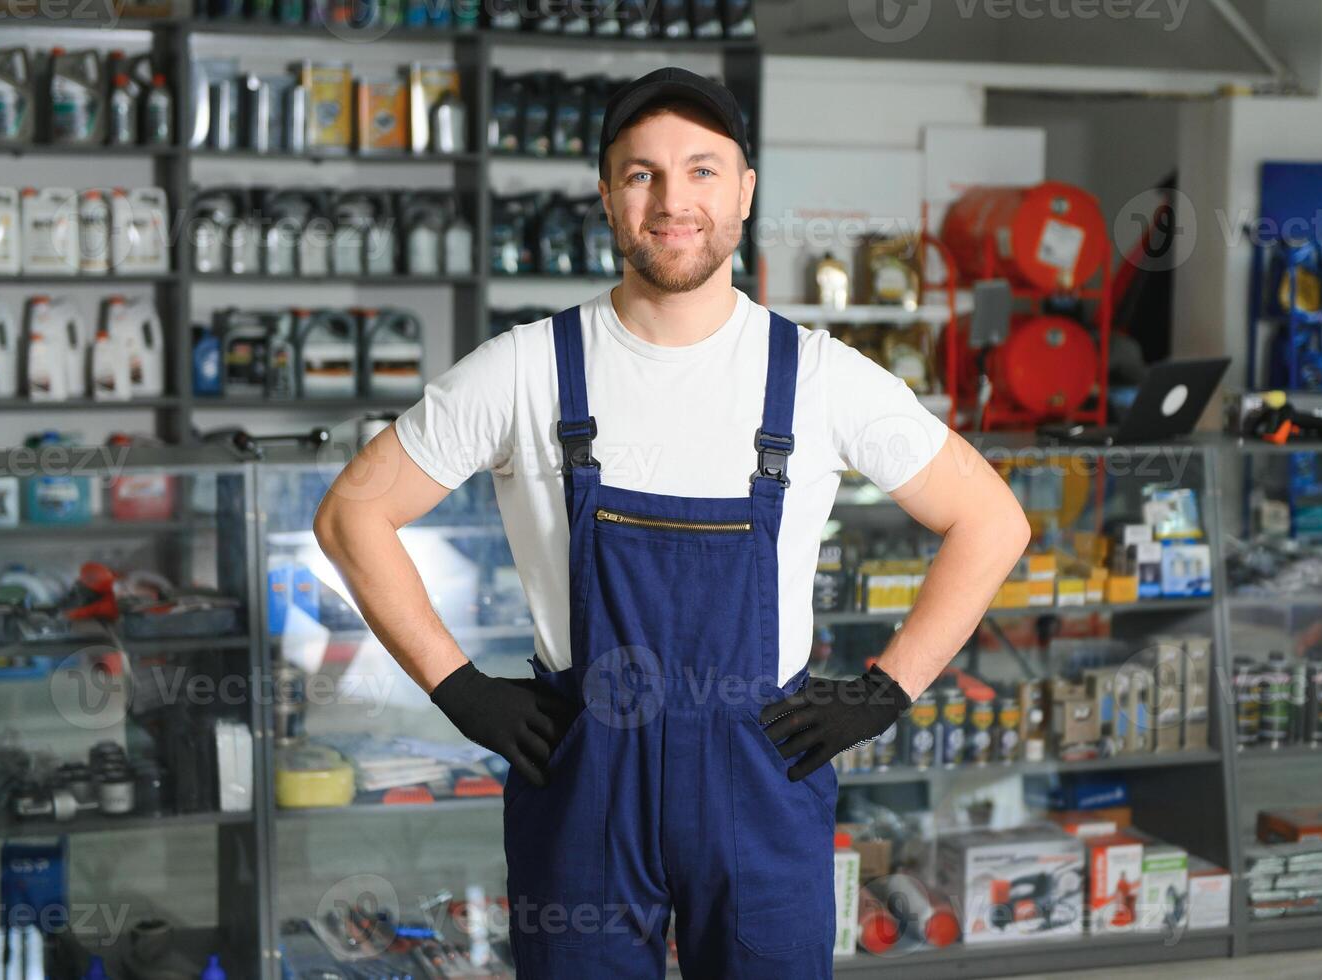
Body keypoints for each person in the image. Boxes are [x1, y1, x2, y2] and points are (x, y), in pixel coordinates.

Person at [314, 66, 1031, 980]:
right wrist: (460, 690)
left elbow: (990, 520)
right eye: (641, 172)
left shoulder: (817, 375)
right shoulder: (524, 370)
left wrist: (881, 692)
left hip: (761, 772)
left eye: (701, 169)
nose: (671, 200)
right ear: (608, 194)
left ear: (743, 190)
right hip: (582, 775)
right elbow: (351, 515)